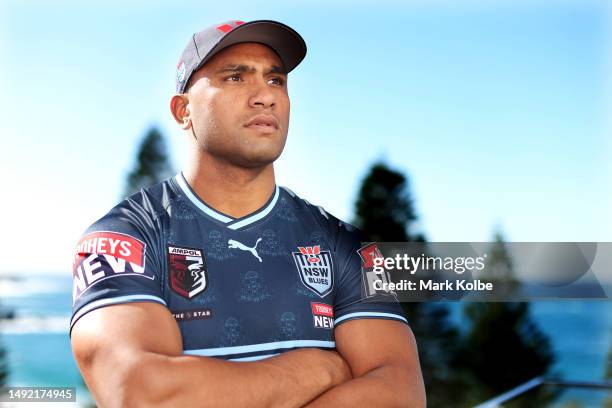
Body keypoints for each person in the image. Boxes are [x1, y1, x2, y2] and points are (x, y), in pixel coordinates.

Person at [70, 19, 425, 407]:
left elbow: (400, 394)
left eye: (276, 81)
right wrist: (320, 368)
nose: (265, 96)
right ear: (182, 110)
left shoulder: (347, 246)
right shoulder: (123, 239)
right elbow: (144, 395)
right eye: (236, 78)